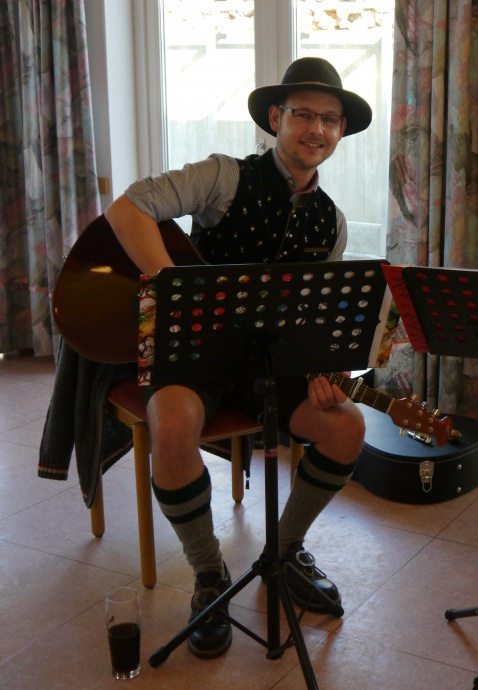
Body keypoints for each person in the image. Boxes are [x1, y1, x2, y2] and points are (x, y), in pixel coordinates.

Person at [104, 57, 373, 659]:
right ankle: (209, 577)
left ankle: (282, 552)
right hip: (194, 355)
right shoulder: (223, 176)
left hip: (271, 369)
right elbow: (128, 208)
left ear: (339, 132)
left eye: (330, 119)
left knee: (347, 427)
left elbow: (319, 319)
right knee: (171, 426)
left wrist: (329, 371)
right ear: (277, 117)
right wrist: (178, 289)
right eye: (304, 113)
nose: (317, 129)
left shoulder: (331, 222)